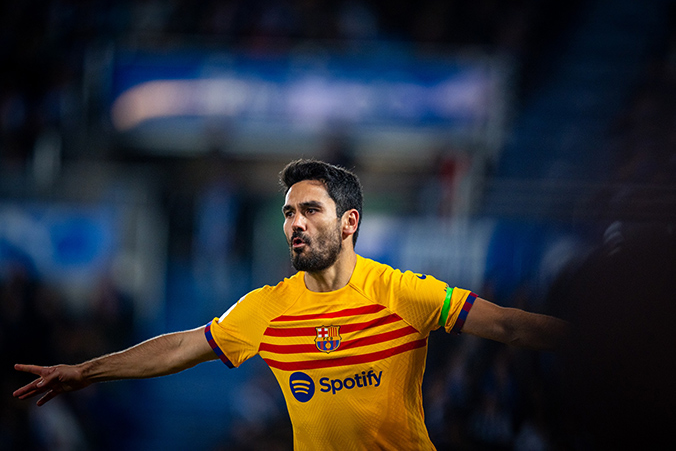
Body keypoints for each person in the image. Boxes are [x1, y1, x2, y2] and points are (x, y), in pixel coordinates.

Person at [14, 159, 570, 450]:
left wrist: (611, 335)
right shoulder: (267, 308)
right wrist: (86, 371)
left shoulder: (404, 293)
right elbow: (182, 346)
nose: (295, 224)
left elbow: (513, 327)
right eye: (287, 213)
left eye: (310, 210)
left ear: (349, 222)